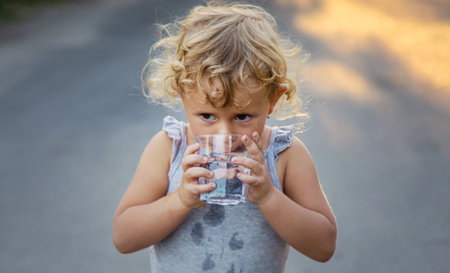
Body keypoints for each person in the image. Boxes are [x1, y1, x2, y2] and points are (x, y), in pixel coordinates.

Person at [113, 1, 337, 272]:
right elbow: (124, 238)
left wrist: (268, 197)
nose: (225, 134)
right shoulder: (169, 147)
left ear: (272, 100)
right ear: (181, 95)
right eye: (207, 116)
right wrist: (180, 199)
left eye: (242, 117)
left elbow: (323, 246)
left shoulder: (284, 154)